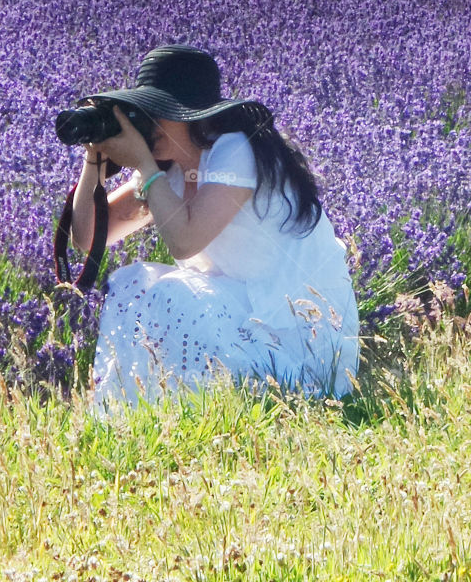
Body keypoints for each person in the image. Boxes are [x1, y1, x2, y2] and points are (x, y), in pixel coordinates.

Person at [69, 44, 360, 414]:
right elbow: (88, 238)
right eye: (143, 113)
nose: (148, 123)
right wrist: (93, 160)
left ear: (192, 116)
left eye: (157, 113)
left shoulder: (236, 149)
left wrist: (144, 162)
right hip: (242, 312)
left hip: (300, 335)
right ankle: (144, 416)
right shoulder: (169, 169)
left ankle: (204, 411)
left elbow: (184, 243)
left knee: (171, 292)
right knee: (132, 284)